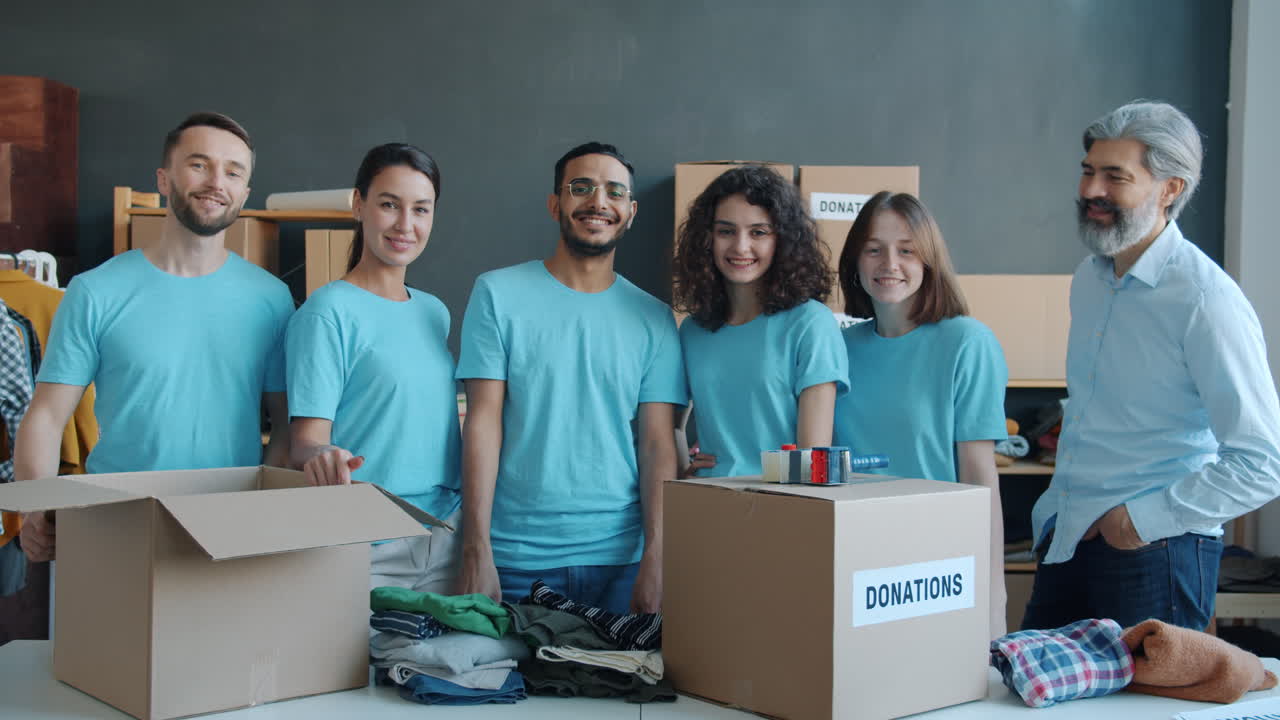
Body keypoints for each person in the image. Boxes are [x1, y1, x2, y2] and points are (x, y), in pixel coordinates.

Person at [1021, 101, 1280, 631]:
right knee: (1035, 706)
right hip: (1067, 536)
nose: (1091, 190)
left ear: (1170, 189)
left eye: (1115, 177)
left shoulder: (1206, 300)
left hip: (1153, 552)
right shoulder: (1089, 279)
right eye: (1089, 171)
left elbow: (1262, 462)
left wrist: (1136, 523)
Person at [15, 112, 295, 563]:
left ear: (245, 193)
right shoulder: (97, 291)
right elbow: (46, 417)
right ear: (164, 180)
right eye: (199, 165)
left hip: (227, 529)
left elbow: (285, 426)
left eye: (233, 171)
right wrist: (35, 508)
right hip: (114, 526)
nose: (216, 182)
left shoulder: (272, 299)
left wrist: (263, 513)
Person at [454, 142, 685, 613]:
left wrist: (658, 559)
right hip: (516, 559)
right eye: (582, 188)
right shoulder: (497, 294)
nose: (598, 202)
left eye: (614, 192)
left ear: (630, 211)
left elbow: (658, 444)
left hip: (622, 562)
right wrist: (476, 548)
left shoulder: (655, 318)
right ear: (555, 202)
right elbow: (481, 423)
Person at [286, 143, 461, 593]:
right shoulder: (327, 313)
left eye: (421, 209)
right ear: (358, 205)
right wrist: (324, 457)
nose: (406, 225)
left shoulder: (434, 312)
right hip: (370, 543)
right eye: (389, 205)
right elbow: (304, 442)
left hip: (445, 536)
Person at [834, 191, 1008, 638]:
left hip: (938, 562)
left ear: (929, 259)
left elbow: (978, 474)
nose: (888, 262)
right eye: (873, 249)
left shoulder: (966, 342)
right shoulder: (838, 350)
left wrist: (993, 594)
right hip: (854, 557)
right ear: (855, 260)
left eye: (906, 250)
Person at [671, 164, 847, 477]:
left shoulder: (810, 324)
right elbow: (668, 427)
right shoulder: (693, 331)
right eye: (726, 231)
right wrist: (684, 465)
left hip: (781, 509)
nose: (740, 246)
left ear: (783, 240)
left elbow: (812, 463)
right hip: (707, 503)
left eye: (758, 232)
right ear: (707, 238)